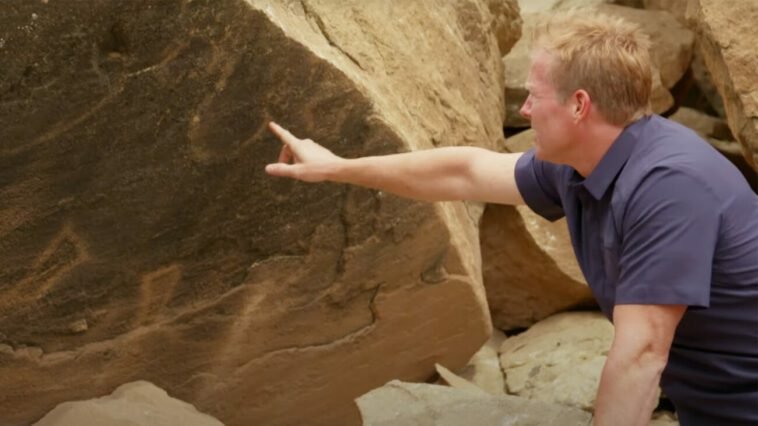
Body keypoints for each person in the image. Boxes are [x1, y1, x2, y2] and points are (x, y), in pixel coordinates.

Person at [265, 11, 758, 426]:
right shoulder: (585, 163)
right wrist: (336, 167)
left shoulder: (667, 186)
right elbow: (464, 171)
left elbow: (642, 355)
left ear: (579, 105)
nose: (522, 109)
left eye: (534, 95)